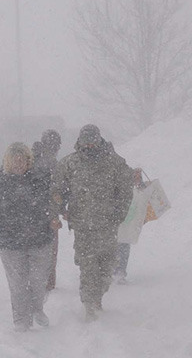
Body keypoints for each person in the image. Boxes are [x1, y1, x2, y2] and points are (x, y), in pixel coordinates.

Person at [0, 142, 57, 332]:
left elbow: (56, 197)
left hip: (40, 237)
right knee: (17, 283)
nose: (19, 165)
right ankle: (20, 320)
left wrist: (56, 214)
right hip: (9, 241)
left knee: (39, 280)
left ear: (28, 160)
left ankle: (37, 309)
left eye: (22, 161)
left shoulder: (40, 178)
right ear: (7, 162)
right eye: (14, 162)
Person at [50, 124, 134, 322]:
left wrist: (118, 214)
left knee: (106, 268)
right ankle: (89, 304)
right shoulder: (69, 163)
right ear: (79, 141)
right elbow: (56, 191)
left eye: (92, 140)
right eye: (85, 140)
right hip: (82, 225)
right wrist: (59, 211)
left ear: (99, 140)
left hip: (108, 224)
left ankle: (98, 297)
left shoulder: (114, 162)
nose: (89, 144)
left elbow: (125, 190)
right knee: (88, 267)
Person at [31, 129, 62, 291]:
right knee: (50, 249)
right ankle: (48, 282)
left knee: (33, 248)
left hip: (29, 213)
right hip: (48, 212)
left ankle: (35, 280)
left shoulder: (30, 158)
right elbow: (56, 190)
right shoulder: (51, 162)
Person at [114, 167, 146, 285]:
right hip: (119, 222)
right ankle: (113, 272)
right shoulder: (123, 187)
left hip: (129, 224)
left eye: (139, 177)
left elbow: (144, 201)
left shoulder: (141, 189)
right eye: (135, 176)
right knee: (116, 246)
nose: (137, 179)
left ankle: (120, 273)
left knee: (124, 247)